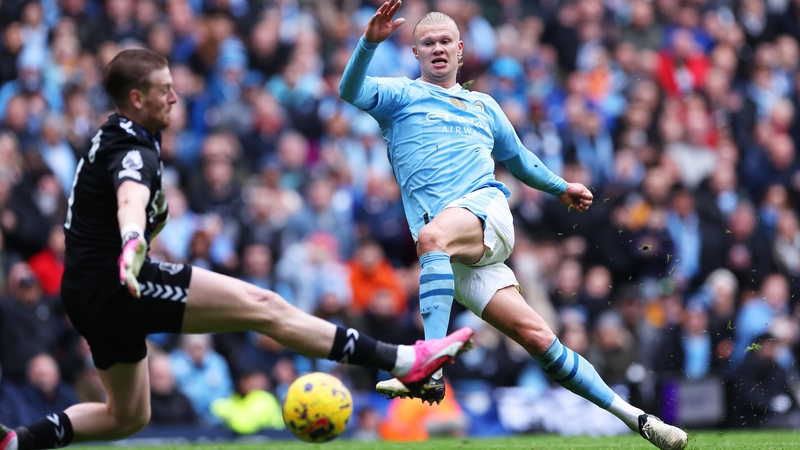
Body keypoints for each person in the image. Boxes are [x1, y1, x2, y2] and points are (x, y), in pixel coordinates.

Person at [0, 48, 473, 450]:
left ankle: (17, 441)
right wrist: (132, 239)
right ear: (136, 99)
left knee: (127, 417)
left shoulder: (118, 132)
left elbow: (133, 200)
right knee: (264, 305)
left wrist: (140, 229)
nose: (175, 96)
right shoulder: (133, 153)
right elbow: (131, 196)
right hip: (120, 283)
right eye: (165, 89)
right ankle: (405, 362)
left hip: (87, 289)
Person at [338, 2, 687, 449]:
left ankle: (429, 365)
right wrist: (368, 42)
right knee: (539, 338)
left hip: (483, 213)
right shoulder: (400, 97)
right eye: (428, 43)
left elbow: (519, 160)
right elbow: (350, 90)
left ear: (461, 50)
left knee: (431, 238)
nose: (438, 48)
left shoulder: (483, 106)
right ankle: (639, 420)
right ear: (415, 53)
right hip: (450, 256)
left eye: (446, 41)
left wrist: (561, 187)